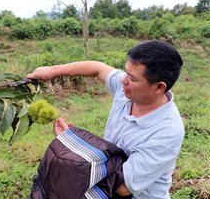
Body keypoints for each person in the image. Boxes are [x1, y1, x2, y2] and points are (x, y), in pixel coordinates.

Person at [26, 40, 184, 199]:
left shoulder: (167, 132)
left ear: (158, 87)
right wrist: (53, 71)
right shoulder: (127, 90)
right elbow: (98, 68)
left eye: (132, 78)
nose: (123, 79)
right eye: (126, 72)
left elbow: (123, 188)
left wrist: (76, 147)